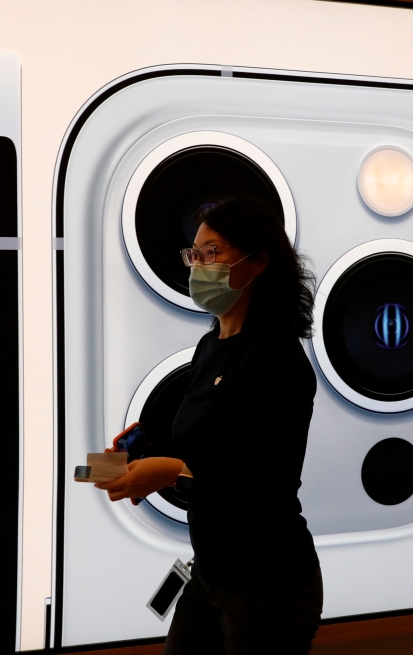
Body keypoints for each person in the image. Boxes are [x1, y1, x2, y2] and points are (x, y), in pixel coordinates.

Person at [95, 196, 322, 654]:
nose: (198, 265)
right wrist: (137, 457)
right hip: (212, 572)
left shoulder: (277, 357)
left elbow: (259, 480)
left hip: (268, 581)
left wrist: (168, 471)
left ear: (258, 261)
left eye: (212, 252)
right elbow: (200, 445)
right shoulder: (210, 346)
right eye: (194, 254)